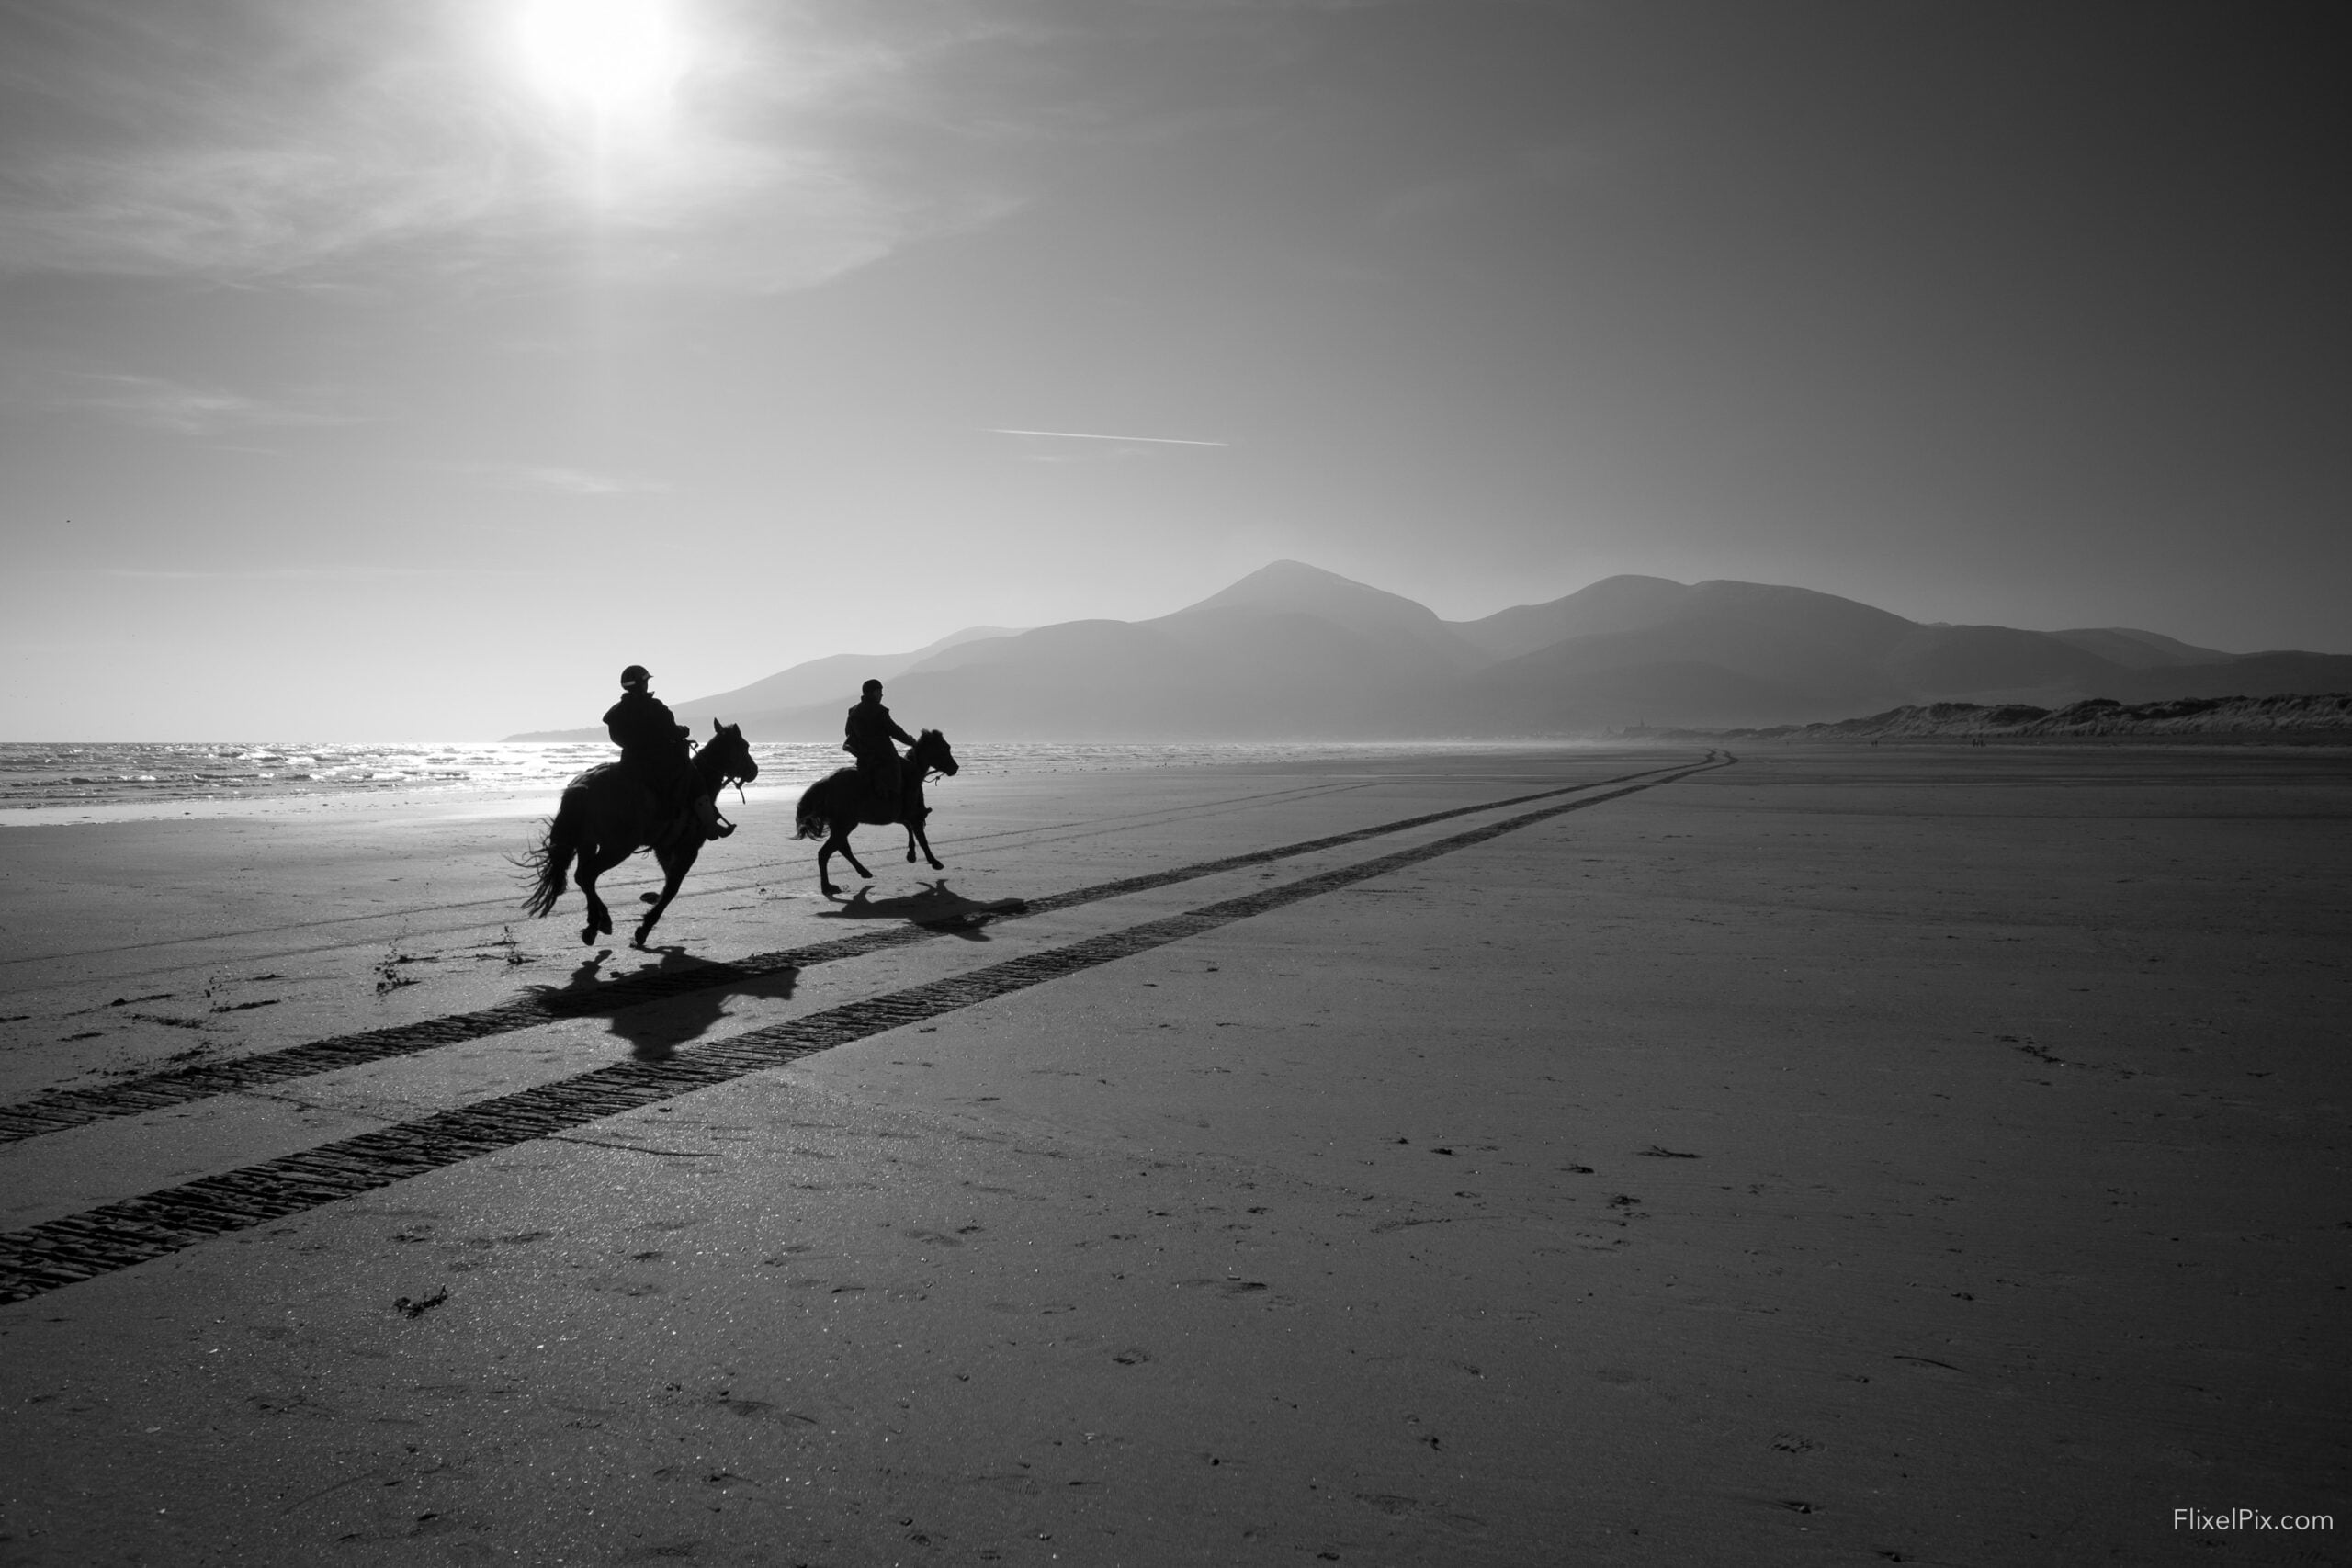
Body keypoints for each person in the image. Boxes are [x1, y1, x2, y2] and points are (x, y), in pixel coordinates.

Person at [604, 665, 732, 839]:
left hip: (630, 760)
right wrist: (683, 730)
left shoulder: (616, 712)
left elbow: (617, 738)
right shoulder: (654, 707)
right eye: (646, 681)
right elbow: (670, 731)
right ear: (642, 684)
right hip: (658, 761)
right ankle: (710, 826)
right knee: (694, 778)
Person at [843, 678, 918, 811]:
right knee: (911, 770)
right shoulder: (879, 710)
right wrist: (912, 742)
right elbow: (895, 731)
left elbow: (848, 732)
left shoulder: (853, 711)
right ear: (872, 692)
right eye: (880, 692)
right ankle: (905, 807)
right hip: (884, 754)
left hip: (864, 756)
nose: (882, 695)